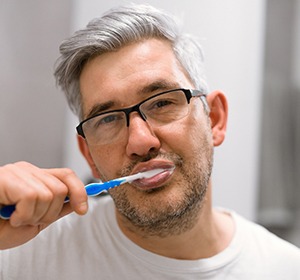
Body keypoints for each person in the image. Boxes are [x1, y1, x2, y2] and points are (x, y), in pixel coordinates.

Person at [0, 3, 299, 279]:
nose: (141, 142)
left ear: (215, 119)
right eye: (107, 119)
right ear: (88, 154)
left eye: (161, 104)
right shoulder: (20, 255)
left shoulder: (285, 269)